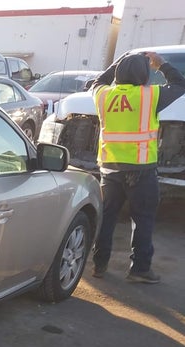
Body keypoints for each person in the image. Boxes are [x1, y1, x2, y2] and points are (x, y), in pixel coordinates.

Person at [89, 51, 185, 283]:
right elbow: (180, 84)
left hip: (109, 169)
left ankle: (99, 265)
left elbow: (98, 81)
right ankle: (140, 269)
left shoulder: (103, 95)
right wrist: (161, 64)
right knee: (143, 219)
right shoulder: (149, 95)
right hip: (141, 170)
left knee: (107, 218)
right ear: (144, 75)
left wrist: (118, 62)